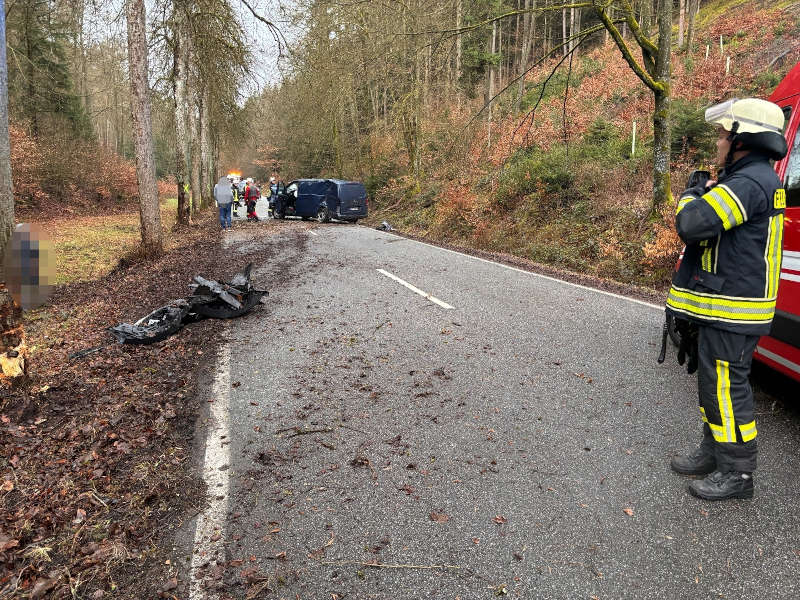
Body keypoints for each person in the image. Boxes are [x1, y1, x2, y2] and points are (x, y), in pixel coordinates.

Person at [666, 98, 788, 501]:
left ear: (744, 139)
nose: (718, 142)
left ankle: (737, 474)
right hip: (726, 305)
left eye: (723, 134)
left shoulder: (750, 182)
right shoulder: (751, 179)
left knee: (727, 389)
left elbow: (692, 223)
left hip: (735, 308)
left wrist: (691, 193)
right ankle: (714, 451)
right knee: (713, 385)